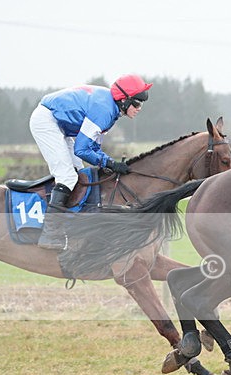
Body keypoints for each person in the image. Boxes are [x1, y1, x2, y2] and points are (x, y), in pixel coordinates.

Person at [29, 74, 152, 250]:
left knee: (80, 175)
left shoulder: (111, 108)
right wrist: (110, 164)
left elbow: (92, 146)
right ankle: (49, 234)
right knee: (68, 177)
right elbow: (82, 149)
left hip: (60, 125)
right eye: (137, 103)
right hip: (47, 121)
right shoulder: (105, 110)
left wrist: (108, 163)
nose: (139, 108)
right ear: (124, 100)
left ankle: (71, 224)